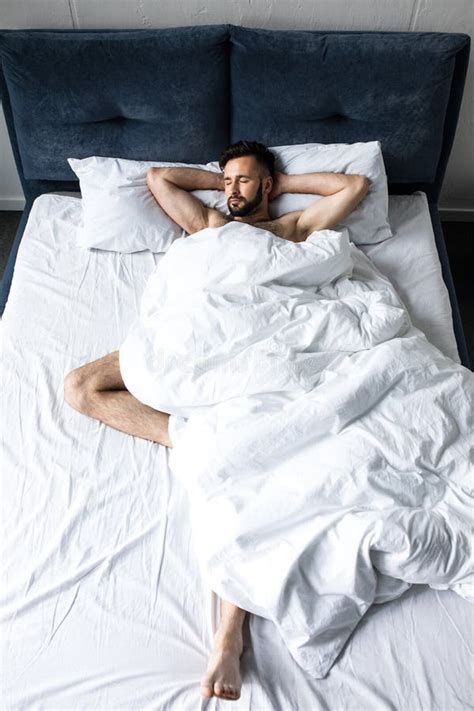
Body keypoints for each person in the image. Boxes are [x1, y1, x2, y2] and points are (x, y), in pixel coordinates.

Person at [64, 140, 370, 701]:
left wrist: (278, 186)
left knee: (241, 479)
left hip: (262, 343)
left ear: (269, 187)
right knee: (80, 387)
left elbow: (354, 188)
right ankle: (197, 440)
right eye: (226, 181)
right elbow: (158, 177)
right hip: (196, 336)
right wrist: (223, 181)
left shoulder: (292, 228)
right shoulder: (206, 225)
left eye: (245, 181)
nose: (231, 190)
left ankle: (229, 636)